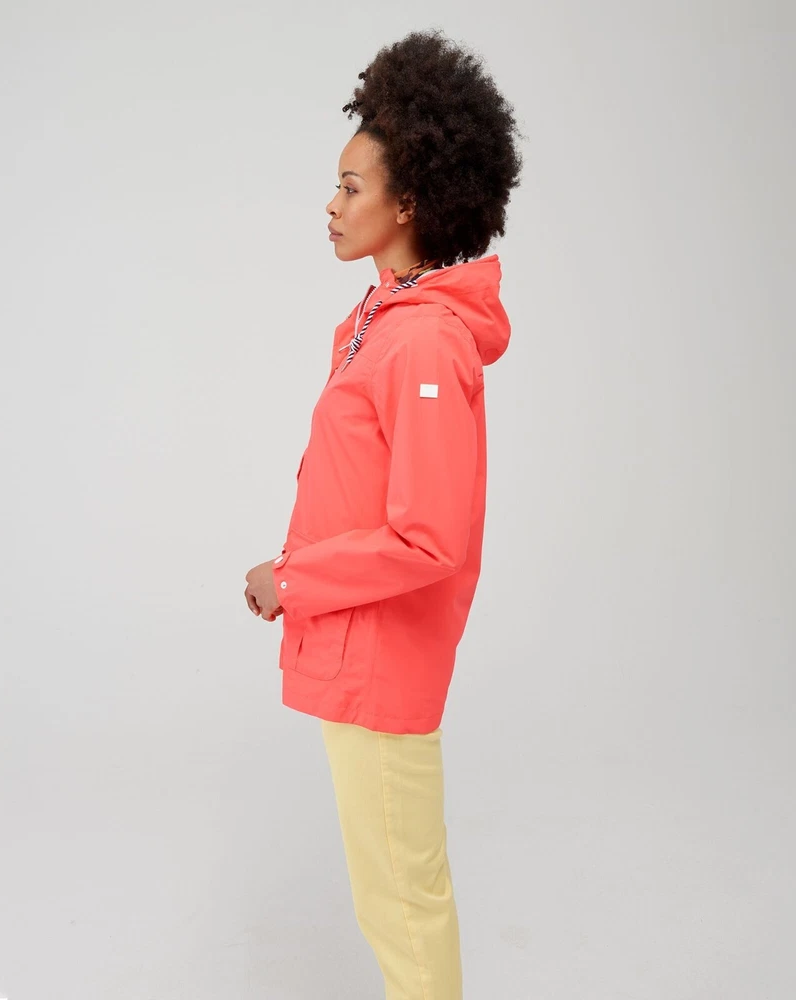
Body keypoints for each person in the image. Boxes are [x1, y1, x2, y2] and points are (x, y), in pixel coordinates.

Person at [244, 28, 523, 1000]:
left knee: (402, 902)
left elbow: (428, 537)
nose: (331, 204)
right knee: (394, 897)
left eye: (351, 186)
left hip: (381, 662)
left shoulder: (423, 344)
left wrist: (293, 580)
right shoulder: (380, 325)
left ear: (408, 204)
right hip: (357, 654)